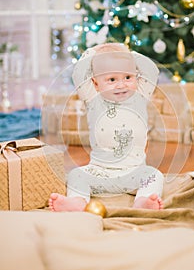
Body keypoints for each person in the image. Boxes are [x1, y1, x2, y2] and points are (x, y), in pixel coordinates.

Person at [49, 42, 164, 212]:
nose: (121, 85)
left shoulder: (140, 95)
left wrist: (128, 54)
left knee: (155, 175)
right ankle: (77, 202)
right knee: (75, 175)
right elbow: (79, 74)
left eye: (128, 77)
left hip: (134, 173)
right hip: (99, 172)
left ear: (136, 77)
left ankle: (143, 201)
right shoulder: (93, 99)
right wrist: (93, 52)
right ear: (96, 83)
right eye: (111, 79)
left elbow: (151, 70)